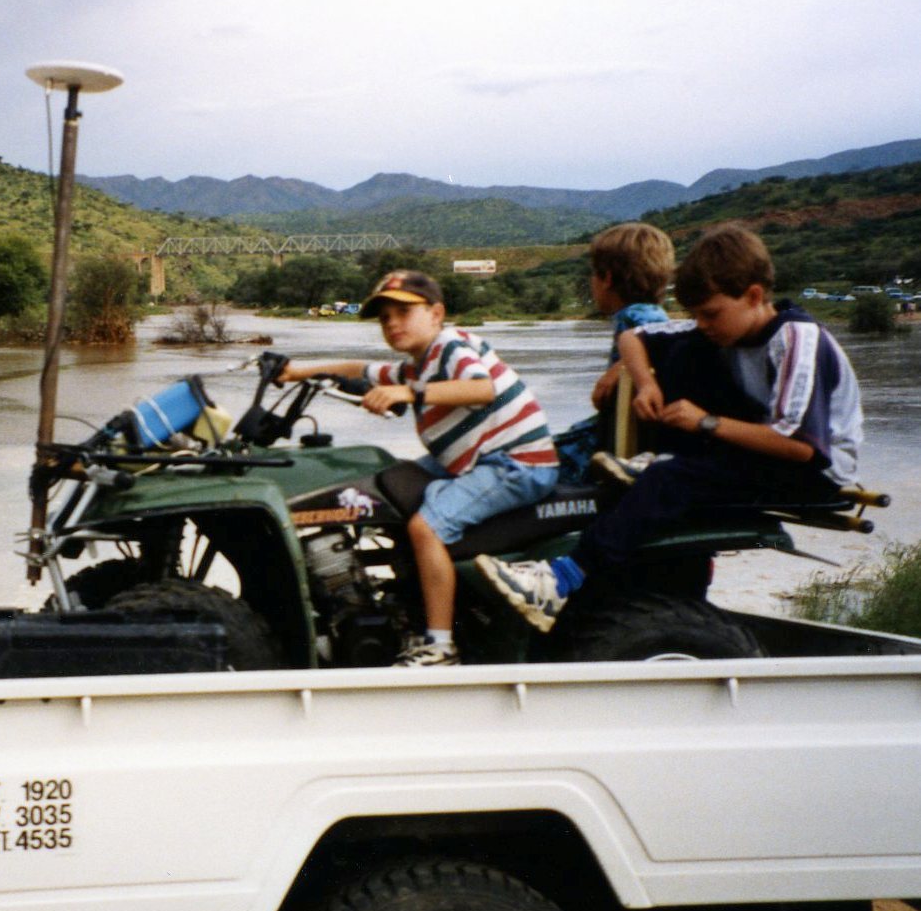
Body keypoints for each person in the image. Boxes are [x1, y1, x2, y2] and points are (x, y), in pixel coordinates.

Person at [476, 223, 863, 632]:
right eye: (696, 314)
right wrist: (645, 382)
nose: (704, 322)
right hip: (761, 452)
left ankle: (561, 579)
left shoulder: (797, 338)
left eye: (711, 313)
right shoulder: (722, 328)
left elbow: (801, 445)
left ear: (753, 295)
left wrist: (705, 422)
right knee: (688, 348)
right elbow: (636, 338)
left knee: (669, 480)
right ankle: (662, 465)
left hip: (812, 470)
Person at [279, 269, 559, 664]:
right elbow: (358, 369)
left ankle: (441, 646)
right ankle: (403, 606)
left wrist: (408, 393)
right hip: (473, 459)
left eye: (403, 312)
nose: (392, 323)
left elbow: (481, 388)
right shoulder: (416, 363)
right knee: (388, 487)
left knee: (425, 526)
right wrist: (297, 373)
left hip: (516, 464)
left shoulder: (450, 346)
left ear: (436, 313)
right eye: (384, 317)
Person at [587, 221, 673, 411]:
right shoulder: (634, 312)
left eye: (593, 273)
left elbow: (660, 339)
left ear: (607, 279)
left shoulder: (640, 312)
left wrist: (620, 367)